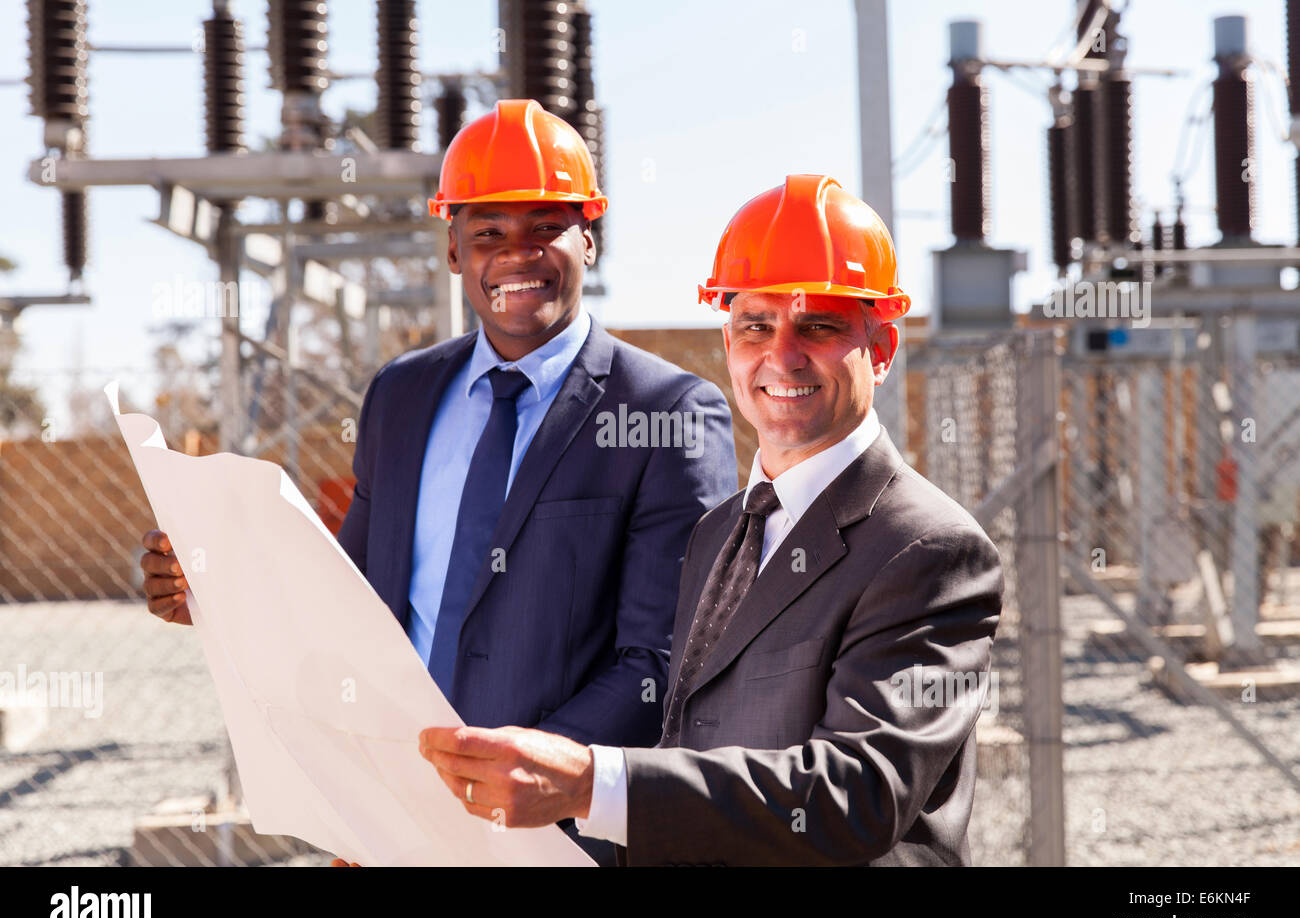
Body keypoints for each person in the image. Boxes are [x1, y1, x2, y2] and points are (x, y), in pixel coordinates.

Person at [139, 100, 738, 864]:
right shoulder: (402, 396)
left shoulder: (667, 415)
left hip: (558, 840)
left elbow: (665, 663)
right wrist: (218, 593)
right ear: (454, 250)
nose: (516, 256)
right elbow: (349, 604)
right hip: (389, 821)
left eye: (544, 227)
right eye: (488, 232)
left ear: (589, 236)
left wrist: (508, 778)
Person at [417, 174, 1004, 865]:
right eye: (756, 325)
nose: (781, 355)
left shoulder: (928, 549)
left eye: (819, 324)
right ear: (728, 343)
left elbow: (860, 793)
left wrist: (591, 783)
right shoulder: (720, 532)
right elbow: (689, 752)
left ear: (880, 350)